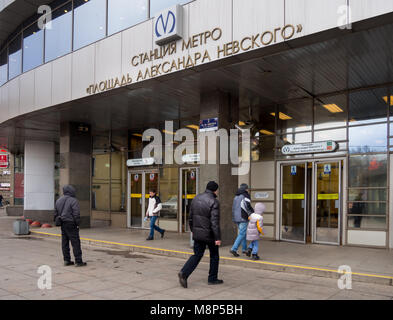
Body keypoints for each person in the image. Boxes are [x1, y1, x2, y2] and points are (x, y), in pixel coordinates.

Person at [178, 181, 222, 288]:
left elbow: (191, 217)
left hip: (198, 233)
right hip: (210, 234)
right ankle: (212, 278)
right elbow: (214, 222)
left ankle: (184, 272)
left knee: (197, 254)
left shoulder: (196, 198)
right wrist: (217, 238)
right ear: (215, 190)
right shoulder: (214, 202)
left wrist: (193, 230)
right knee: (214, 256)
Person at [54, 185, 86, 267]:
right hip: (71, 223)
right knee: (75, 242)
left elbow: (55, 214)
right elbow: (76, 213)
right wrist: (78, 223)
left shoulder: (58, 200)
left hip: (63, 223)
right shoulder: (73, 200)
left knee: (65, 242)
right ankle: (78, 261)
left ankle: (66, 260)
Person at [230, 183, 254, 257]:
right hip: (243, 217)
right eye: (247, 189)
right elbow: (247, 206)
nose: (248, 190)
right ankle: (234, 249)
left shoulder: (236, 196)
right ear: (246, 189)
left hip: (236, 217)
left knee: (242, 233)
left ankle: (244, 249)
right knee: (242, 233)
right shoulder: (245, 195)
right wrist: (252, 213)